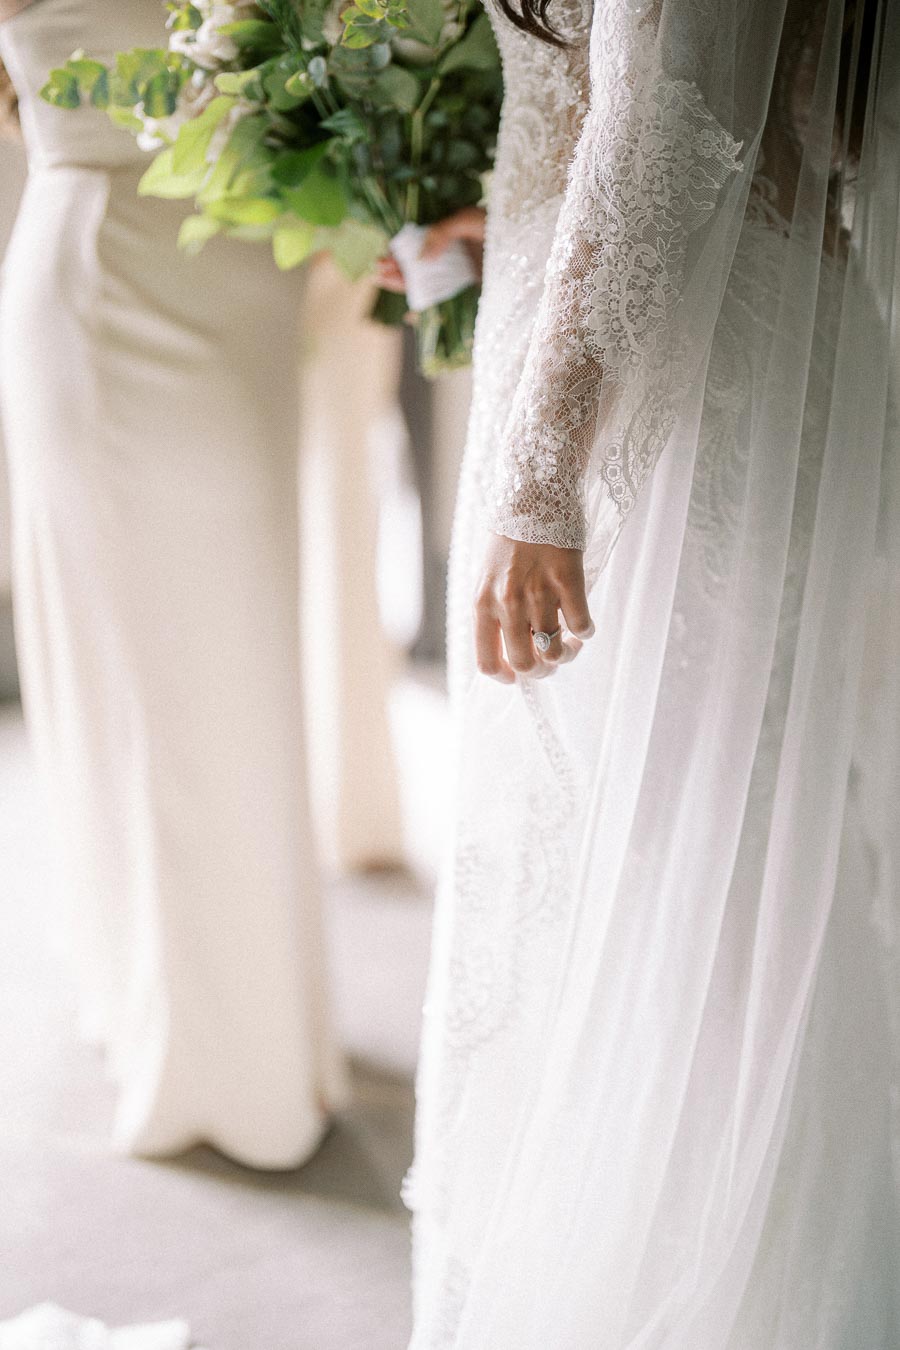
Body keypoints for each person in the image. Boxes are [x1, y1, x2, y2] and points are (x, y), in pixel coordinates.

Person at [405, 0, 900, 1344]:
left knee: (663, 860)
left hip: (671, 402)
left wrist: (541, 478)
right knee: (695, 850)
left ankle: (696, 1290)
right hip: (692, 326)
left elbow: (660, 135)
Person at [0, 0, 349, 1168]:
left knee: (235, 654)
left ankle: (245, 1020)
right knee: (152, 677)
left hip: (246, 265)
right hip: (105, 258)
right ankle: (204, 1055)